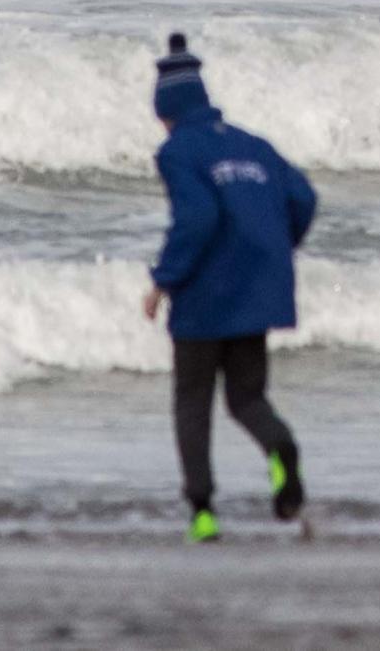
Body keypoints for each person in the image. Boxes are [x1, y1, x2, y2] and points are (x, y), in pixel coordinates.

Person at [141, 31, 317, 543]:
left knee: (192, 402)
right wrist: (275, 251)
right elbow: (303, 198)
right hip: (257, 292)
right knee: (247, 399)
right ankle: (281, 449)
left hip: (204, 298)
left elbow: (198, 216)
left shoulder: (177, 151)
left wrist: (162, 281)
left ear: (166, 110)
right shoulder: (253, 145)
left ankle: (202, 514)